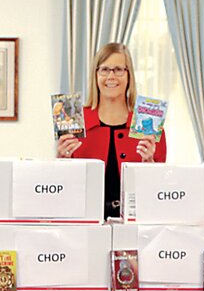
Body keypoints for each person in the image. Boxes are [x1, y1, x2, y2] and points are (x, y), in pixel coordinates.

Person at [57, 42, 167, 219]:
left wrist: (149, 163)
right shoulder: (75, 119)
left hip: (135, 222)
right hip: (85, 220)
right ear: (96, 75)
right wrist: (62, 159)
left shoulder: (149, 122)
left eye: (118, 69)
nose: (111, 76)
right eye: (104, 69)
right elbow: (61, 187)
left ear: (129, 75)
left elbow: (161, 190)